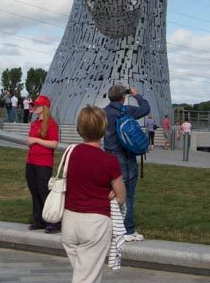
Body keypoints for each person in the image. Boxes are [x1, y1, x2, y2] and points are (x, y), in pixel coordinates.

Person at [62, 106, 126, 283]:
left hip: (69, 221)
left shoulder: (70, 152)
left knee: (84, 273)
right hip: (95, 223)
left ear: (79, 129)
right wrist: (113, 192)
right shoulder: (109, 161)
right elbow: (121, 197)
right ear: (104, 129)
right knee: (86, 277)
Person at [104, 85, 150, 242]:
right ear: (123, 97)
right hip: (125, 157)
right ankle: (127, 230)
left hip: (108, 156)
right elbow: (146, 108)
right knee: (128, 193)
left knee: (111, 192)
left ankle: (109, 227)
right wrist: (136, 95)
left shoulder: (103, 113)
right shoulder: (127, 110)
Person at [25, 94, 60, 233]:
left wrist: (36, 140)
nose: (34, 107)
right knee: (34, 191)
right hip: (31, 161)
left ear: (44, 107)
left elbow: (54, 144)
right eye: (34, 105)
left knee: (44, 191)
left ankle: (53, 221)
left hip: (44, 163)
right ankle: (39, 220)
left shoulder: (51, 124)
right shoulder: (34, 123)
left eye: (37, 105)